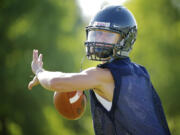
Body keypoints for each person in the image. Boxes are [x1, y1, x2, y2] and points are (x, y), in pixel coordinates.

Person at [28, 5, 171, 135]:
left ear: (125, 40)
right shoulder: (140, 72)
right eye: (97, 32)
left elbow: (54, 82)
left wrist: (39, 72)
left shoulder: (102, 76)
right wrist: (81, 81)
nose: (99, 38)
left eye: (107, 34)